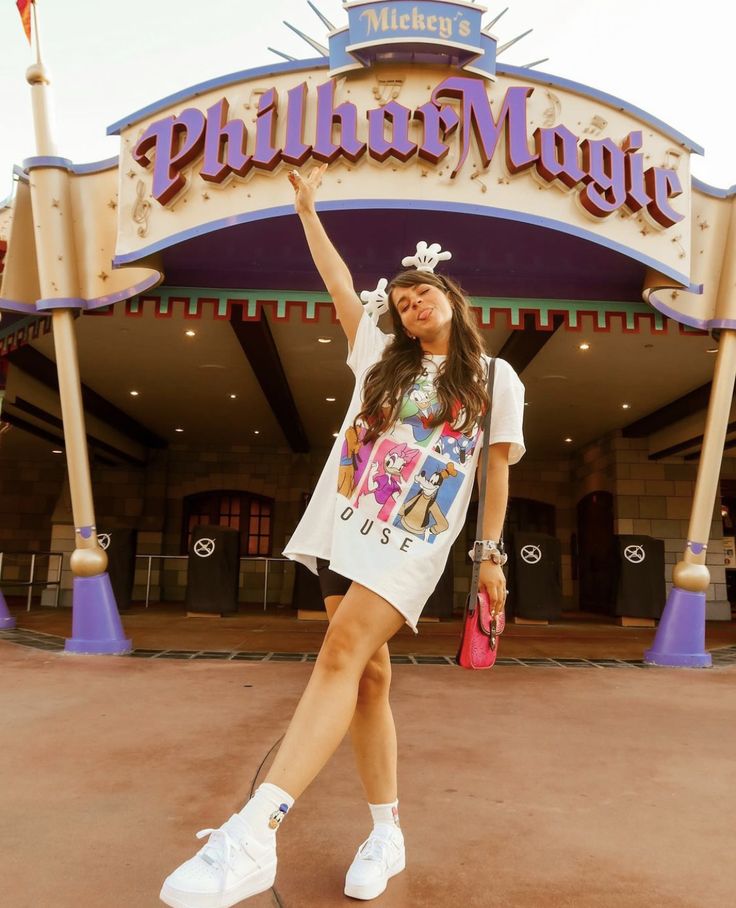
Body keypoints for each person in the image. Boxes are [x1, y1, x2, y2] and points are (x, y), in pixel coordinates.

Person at [160, 165, 525, 908]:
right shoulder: (377, 359)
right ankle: (387, 830)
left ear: (451, 298)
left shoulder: (496, 376)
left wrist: (489, 559)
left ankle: (256, 832)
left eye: (421, 291)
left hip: (410, 538)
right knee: (369, 677)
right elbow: (335, 279)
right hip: (338, 528)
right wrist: (306, 211)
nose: (409, 302)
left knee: (338, 657)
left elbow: (495, 475)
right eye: (398, 299)